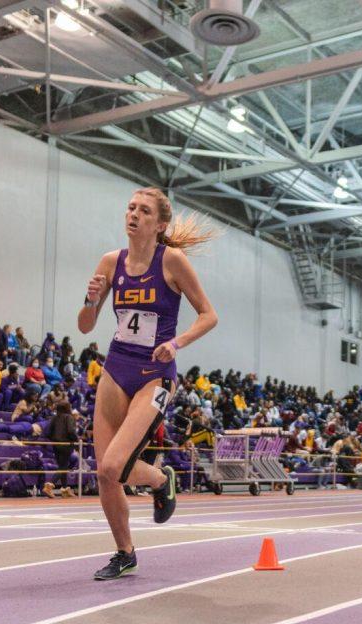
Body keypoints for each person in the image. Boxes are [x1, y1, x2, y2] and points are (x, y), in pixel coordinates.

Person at [79, 186, 218, 580]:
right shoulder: (111, 262)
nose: (133, 214)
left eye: (143, 210)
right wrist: (90, 301)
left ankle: (160, 478)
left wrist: (176, 343)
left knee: (115, 464)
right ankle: (125, 553)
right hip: (117, 365)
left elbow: (209, 315)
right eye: (130, 207)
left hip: (155, 372)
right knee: (104, 473)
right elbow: (86, 325)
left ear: (158, 224)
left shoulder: (172, 261)